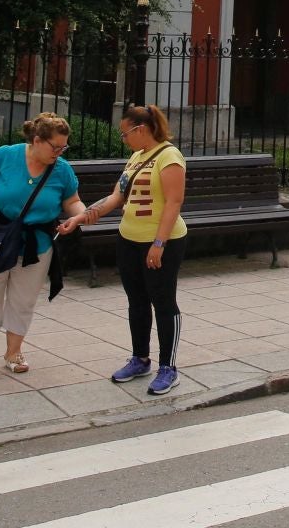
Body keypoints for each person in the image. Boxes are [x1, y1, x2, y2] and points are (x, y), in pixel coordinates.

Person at [0, 112, 86, 374]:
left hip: (37, 243)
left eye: (63, 147)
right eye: (55, 146)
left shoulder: (62, 169)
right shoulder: (6, 155)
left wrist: (79, 216)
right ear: (37, 140)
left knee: (24, 299)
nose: (59, 152)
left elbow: (72, 200)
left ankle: (13, 352)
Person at [72, 104, 187, 396]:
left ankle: (168, 367)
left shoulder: (169, 156)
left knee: (163, 302)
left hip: (161, 242)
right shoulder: (136, 158)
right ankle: (140, 358)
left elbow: (174, 203)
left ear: (141, 129)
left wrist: (159, 243)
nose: (123, 139)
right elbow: (117, 196)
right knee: (136, 301)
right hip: (129, 239)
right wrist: (81, 216)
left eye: (125, 133)